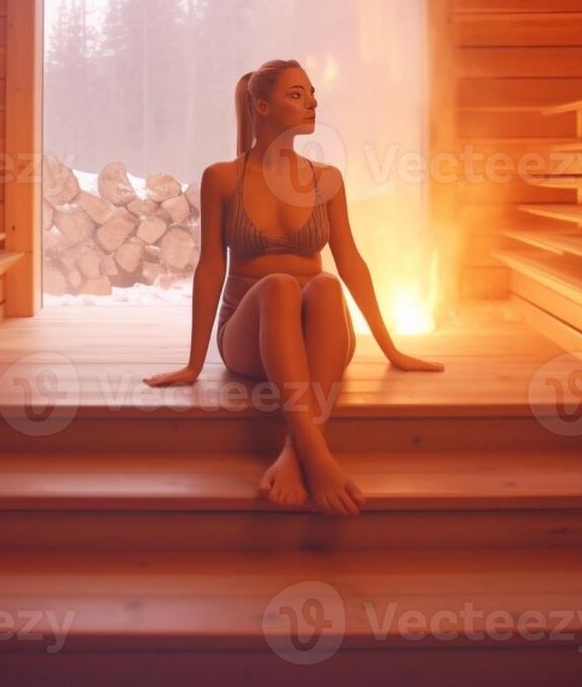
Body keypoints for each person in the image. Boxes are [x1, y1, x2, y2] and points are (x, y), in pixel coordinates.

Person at [142, 59, 444, 516]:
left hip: (318, 334)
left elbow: (352, 265)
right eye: (297, 94)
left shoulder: (327, 180)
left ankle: (294, 452)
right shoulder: (222, 178)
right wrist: (193, 363)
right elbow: (210, 269)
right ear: (262, 106)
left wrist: (392, 349)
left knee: (324, 287)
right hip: (249, 334)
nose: (313, 102)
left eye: (312, 92)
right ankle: (318, 458)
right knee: (280, 285)